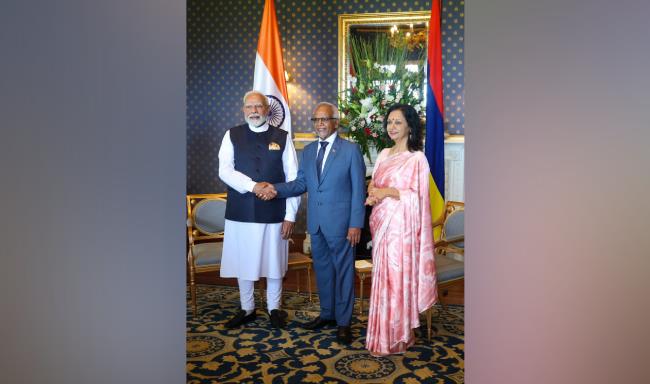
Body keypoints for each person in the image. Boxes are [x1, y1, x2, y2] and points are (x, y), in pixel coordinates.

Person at [259, 102, 366, 344]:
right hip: (316, 225)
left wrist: (355, 224)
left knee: (344, 273)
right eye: (316, 120)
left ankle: (344, 322)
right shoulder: (307, 152)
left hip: (342, 225)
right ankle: (327, 314)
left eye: (324, 119)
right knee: (324, 272)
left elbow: (359, 190)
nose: (320, 124)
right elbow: (300, 184)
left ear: (335, 122)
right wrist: (275, 188)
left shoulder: (350, 150)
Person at [217, 90, 300, 329]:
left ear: (267, 109)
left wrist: (290, 215)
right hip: (241, 211)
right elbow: (225, 171)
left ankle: (275, 309)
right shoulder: (231, 135)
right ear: (244, 110)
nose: (254, 111)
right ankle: (247, 308)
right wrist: (254, 187)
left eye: (258, 106)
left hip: (275, 212)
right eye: (249, 107)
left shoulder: (283, 137)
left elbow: (293, 177)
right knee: (244, 262)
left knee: (274, 262)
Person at [364, 103, 438, 356]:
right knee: (383, 278)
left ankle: (398, 336)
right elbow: (375, 183)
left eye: (397, 122)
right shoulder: (384, 154)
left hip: (402, 230)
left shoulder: (417, 158)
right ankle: (381, 334)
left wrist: (387, 192)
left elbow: (419, 199)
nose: (392, 127)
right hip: (382, 225)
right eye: (389, 122)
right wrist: (374, 193)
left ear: (409, 126)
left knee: (397, 279)